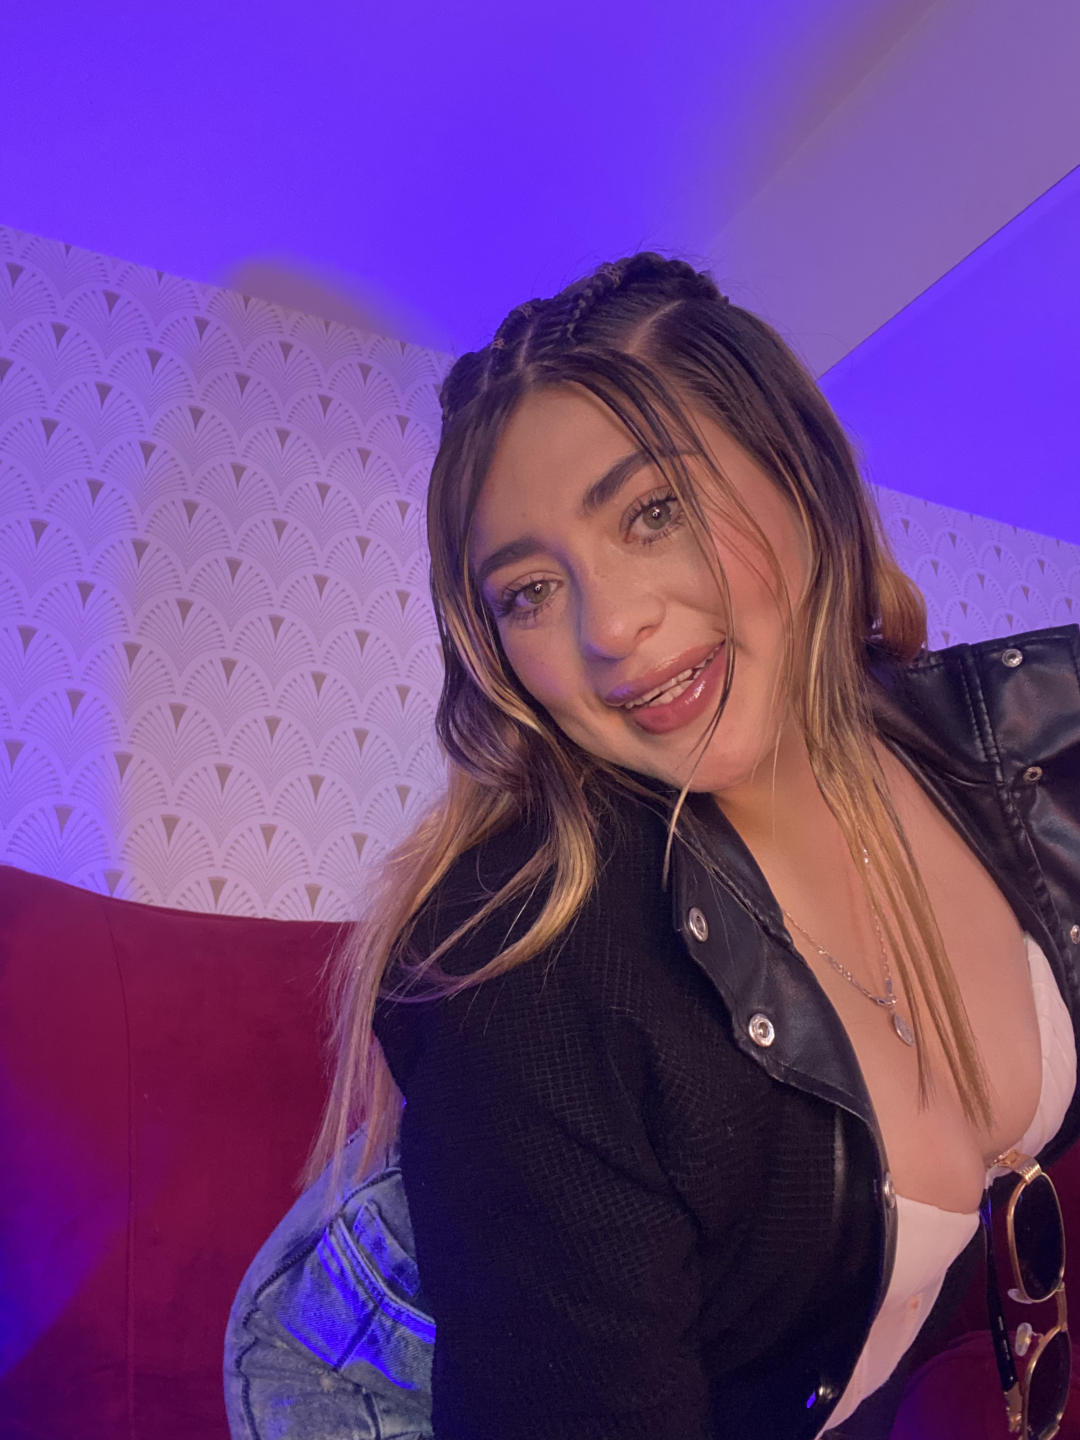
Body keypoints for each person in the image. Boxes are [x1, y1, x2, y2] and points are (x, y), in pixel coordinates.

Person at [224, 253, 1080, 1440]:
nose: (612, 628)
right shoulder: (531, 977)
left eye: (654, 512)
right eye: (528, 592)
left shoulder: (1031, 741)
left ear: (801, 471)